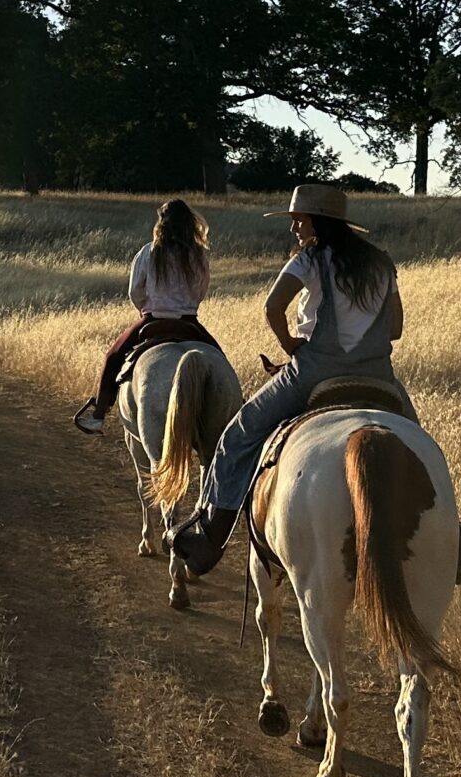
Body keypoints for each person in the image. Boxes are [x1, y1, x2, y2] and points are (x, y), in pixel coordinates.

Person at [168, 182, 407, 572]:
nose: (294, 228)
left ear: (319, 222)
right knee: (419, 438)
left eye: (299, 220)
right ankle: (455, 530)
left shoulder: (310, 259)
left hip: (314, 373)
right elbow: (394, 329)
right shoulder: (381, 262)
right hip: (378, 374)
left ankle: (211, 534)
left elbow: (272, 306)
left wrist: (292, 345)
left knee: (239, 434)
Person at [73, 198, 218, 435]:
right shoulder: (199, 255)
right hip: (188, 322)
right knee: (219, 359)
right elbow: (200, 291)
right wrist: (186, 307)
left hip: (152, 319)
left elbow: (135, 292)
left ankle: (99, 414)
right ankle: (237, 407)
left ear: (162, 223)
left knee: (113, 357)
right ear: (189, 224)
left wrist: (147, 309)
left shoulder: (147, 252)